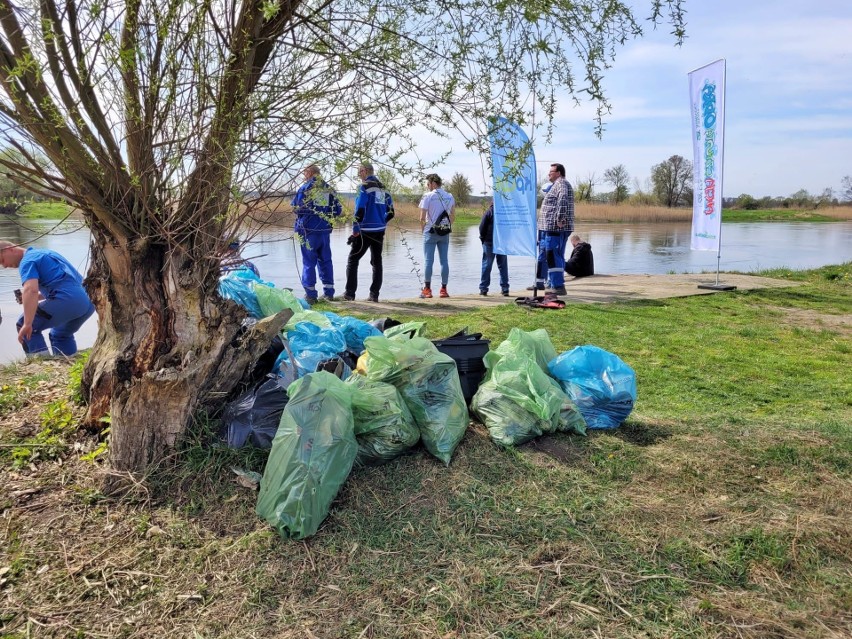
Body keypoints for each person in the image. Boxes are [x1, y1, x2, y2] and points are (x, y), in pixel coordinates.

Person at [0, 240, 95, 357]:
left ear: (10, 249)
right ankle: (68, 363)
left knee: (24, 325)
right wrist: (33, 298)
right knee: (60, 334)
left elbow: (31, 290)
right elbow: (64, 284)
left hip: (70, 301)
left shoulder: (27, 261)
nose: (4, 266)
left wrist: (28, 323)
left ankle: (41, 367)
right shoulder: (45, 253)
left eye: (2, 260)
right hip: (88, 302)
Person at [343, 162, 394, 302]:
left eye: (359, 171)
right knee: (377, 262)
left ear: (365, 171)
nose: (359, 174)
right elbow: (391, 213)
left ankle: (349, 294)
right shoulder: (385, 189)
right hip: (379, 230)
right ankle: (374, 295)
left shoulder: (363, 187)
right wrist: (381, 222)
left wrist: (355, 229)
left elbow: (360, 210)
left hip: (364, 230)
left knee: (353, 260)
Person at [291, 164, 343, 302]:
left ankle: (310, 295)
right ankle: (329, 293)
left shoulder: (305, 188)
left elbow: (297, 208)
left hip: (308, 231)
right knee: (326, 261)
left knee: (308, 262)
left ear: (309, 173)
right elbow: (338, 210)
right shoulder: (328, 189)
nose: (303, 176)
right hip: (324, 231)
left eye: (304, 173)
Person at [533, 163, 574, 295]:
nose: (549, 174)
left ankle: (558, 286)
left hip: (555, 228)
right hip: (547, 228)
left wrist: (560, 219)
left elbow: (563, 200)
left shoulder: (561, 183)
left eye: (551, 171)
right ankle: (546, 283)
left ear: (559, 173)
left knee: (553, 255)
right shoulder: (555, 185)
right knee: (546, 254)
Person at [418, 173, 455, 298]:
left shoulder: (427, 196)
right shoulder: (449, 196)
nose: (427, 186)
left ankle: (427, 290)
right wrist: (444, 227)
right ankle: (444, 290)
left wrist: (423, 230)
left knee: (429, 261)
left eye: (428, 184)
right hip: (444, 233)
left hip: (430, 232)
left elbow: (422, 218)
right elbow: (452, 216)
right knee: (444, 261)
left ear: (433, 183)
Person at [478, 201, 509, 296]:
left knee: (487, 266)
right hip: (502, 243)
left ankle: (483, 289)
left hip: (489, 242)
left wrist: (482, 239)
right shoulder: (506, 213)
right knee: (503, 266)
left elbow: (481, 227)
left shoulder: (489, 212)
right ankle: (505, 289)